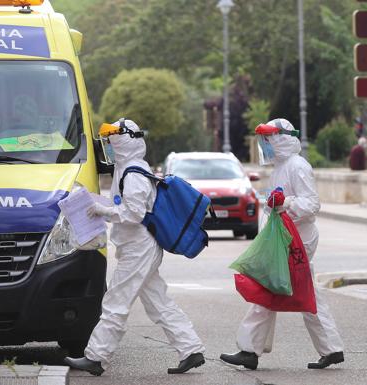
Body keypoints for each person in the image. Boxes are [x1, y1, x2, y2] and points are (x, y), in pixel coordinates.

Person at [64, 119, 206, 376]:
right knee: (158, 302)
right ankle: (191, 349)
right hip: (137, 246)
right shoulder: (127, 168)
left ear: (125, 141)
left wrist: (101, 211)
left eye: (113, 140)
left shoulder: (133, 173)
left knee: (116, 301)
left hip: (139, 248)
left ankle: (96, 357)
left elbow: (133, 214)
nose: (110, 146)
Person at [220, 118, 344, 370]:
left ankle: (249, 350)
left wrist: (285, 203)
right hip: (287, 239)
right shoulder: (281, 166)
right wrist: (277, 203)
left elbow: (311, 204)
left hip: (296, 240)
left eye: (268, 139)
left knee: (266, 288)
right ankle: (331, 348)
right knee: (307, 295)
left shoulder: (297, 166)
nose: (264, 145)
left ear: (281, 139)